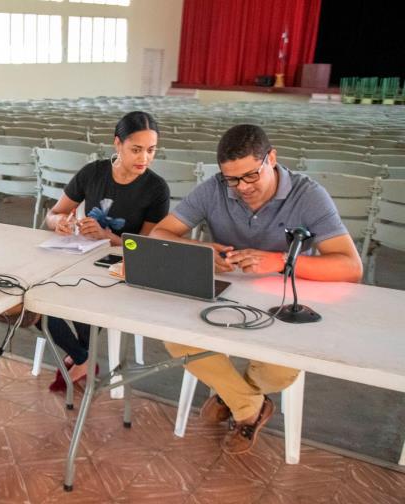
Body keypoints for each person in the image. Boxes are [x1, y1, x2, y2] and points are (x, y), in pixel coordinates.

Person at [150, 124, 363, 455]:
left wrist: (280, 262)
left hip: (282, 299)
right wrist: (202, 251)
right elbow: (160, 235)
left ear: (272, 158)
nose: (241, 188)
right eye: (232, 180)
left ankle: (231, 395)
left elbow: (351, 268)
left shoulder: (308, 195)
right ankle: (249, 406)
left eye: (250, 176)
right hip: (225, 292)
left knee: (281, 368)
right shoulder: (215, 188)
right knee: (174, 335)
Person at [43, 111, 170, 390]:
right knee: (41, 301)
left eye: (151, 151)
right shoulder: (94, 172)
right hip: (81, 256)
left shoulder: (156, 188)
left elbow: (148, 246)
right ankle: (82, 358)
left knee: (88, 298)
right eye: (136, 150)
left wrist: (108, 236)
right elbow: (52, 214)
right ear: (117, 144)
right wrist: (60, 223)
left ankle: (79, 360)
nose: (144, 159)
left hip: (121, 267)